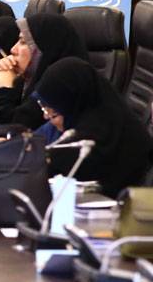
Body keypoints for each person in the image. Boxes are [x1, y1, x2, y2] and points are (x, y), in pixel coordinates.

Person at [34, 56, 153, 196]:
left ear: (71, 106)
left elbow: (44, 171)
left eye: (53, 114)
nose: (46, 117)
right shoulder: (89, 112)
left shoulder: (93, 140)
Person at [0, 13, 87, 129]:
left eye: (23, 42)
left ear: (44, 49)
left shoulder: (60, 87)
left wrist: (3, 87)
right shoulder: (23, 83)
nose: (13, 49)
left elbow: (12, 132)